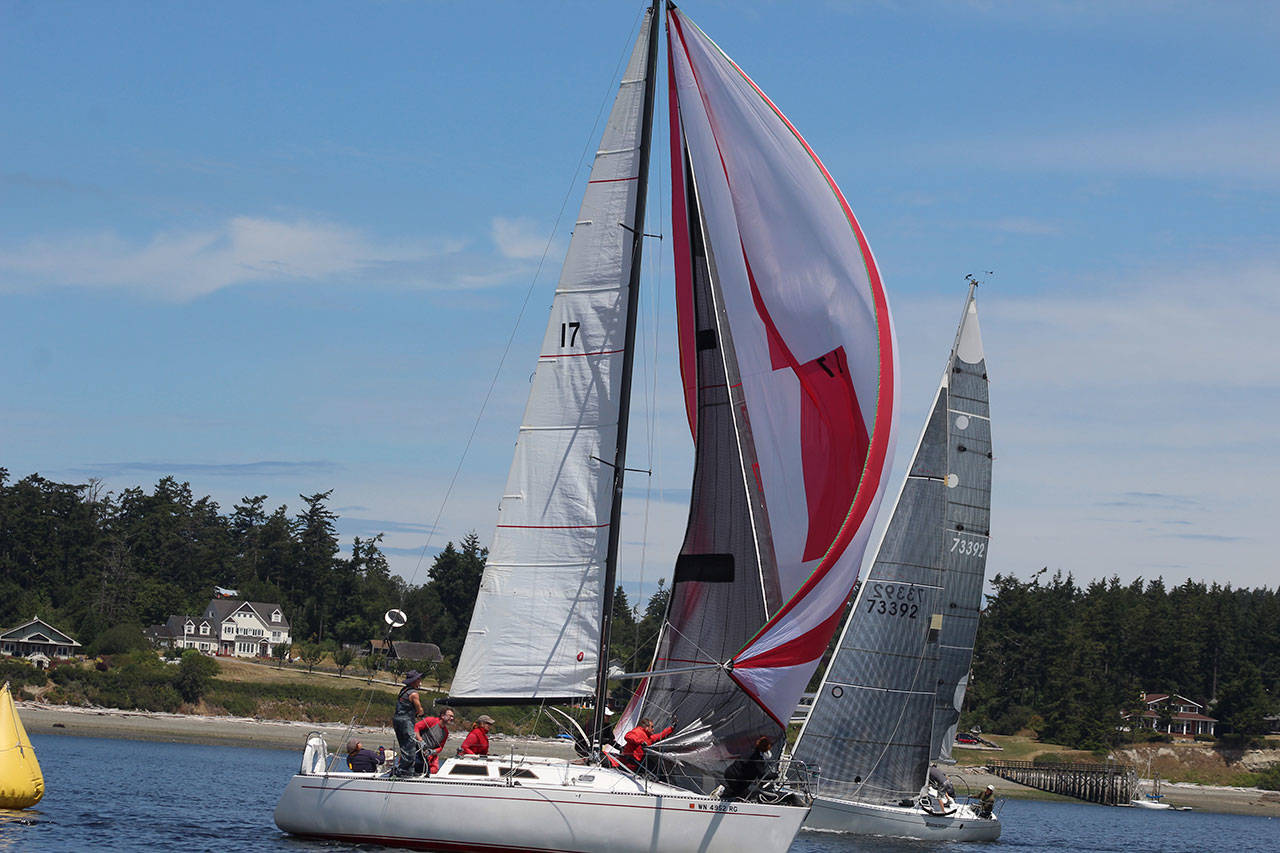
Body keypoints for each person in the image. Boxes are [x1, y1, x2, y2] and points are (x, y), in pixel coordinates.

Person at [392, 670, 428, 775]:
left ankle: (405, 769)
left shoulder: (403, 690)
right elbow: (419, 709)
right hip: (406, 722)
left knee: (404, 745)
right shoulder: (413, 693)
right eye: (419, 679)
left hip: (397, 720)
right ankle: (406, 771)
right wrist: (420, 713)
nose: (420, 681)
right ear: (414, 681)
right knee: (410, 745)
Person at [415, 707, 455, 774]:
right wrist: (420, 740)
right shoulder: (431, 721)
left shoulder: (445, 732)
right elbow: (416, 727)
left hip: (427, 755)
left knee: (426, 773)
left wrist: (432, 751)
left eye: (453, 717)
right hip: (416, 750)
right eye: (450, 716)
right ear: (442, 716)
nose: (452, 718)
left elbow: (440, 748)